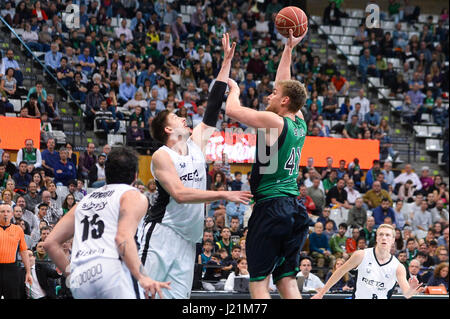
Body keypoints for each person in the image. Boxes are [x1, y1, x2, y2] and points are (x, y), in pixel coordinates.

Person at [138, 34, 252, 299]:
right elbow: (179, 193)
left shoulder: (196, 143)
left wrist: (226, 62)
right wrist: (223, 193)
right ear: (168, 129)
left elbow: (213, 107)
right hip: (162, 234)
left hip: (189, 241)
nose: (183, 117)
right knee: (146, 295)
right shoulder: (162, 155)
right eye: (177, 117)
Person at [225, 28, 309, 299]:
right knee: (286, 280)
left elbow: (232, 111)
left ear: (284, 101)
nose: (268, 95)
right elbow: (286, 82)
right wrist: (288, 49)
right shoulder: (299, 120)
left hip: (271, 207)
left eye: (273, 93)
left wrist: (235, 89)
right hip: (294, 209)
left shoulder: (275, 120)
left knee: (259, 281)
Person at [43, 147, 170, 299]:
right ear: (135, 176)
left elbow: (50, 243)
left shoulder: (84, 201)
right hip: (112, 269)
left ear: (106, 175)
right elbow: (122, 238)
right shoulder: (132, 195)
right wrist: (142, 276)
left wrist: (71, 274)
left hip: (81, 275)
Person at [312, 224, 424, 299]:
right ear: (376, 238)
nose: (384, 238)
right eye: (381, 234)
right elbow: (340, 271)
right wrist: (322, 292)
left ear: (393, 240)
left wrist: (412, 289)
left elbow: (406, 294)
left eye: (387, 235)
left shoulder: (398, 267)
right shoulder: (361, 255)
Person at [0, 204, 33, 299]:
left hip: (11, 269)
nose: (5, 214)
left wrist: (28, 272)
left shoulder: (18, 230)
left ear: (12, 214)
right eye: (2, 212)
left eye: (8, 212)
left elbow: (23, 251)